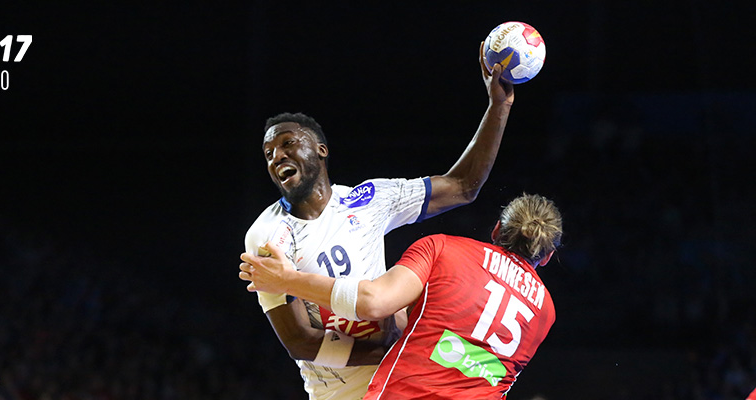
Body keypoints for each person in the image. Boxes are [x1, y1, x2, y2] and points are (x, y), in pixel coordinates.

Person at [241, 43, 516, 399]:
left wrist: (499, 107)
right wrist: (388, 352)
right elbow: (298, 341)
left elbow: (463, 187)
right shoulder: (268, 235)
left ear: (321, 150)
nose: (277, 156)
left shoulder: (369, 199)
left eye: (288, 143)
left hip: (400, 385)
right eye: (268, 154)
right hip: (340, 394)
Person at [240, 193, 562, 399]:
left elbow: (372, 302)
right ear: (546, 257)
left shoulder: (445, 248)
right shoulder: (545, 310)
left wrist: (288, 279)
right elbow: (474, 357)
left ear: (496, 230)